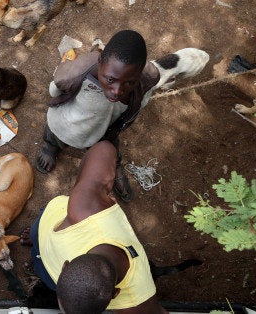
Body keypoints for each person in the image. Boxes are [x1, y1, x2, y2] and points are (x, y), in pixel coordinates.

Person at [24, 140, 167, 313]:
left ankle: (35, 251)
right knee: (36, 242)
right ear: (115, 294)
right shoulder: (137, 298)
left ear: (65, 266)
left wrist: (94, 190)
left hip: (47, 235)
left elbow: (103, 150)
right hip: (45, 235)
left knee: (37, 254)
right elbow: (105, 148)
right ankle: (35, 247)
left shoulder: (85, 210)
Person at [35, 29, 161, 203]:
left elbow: (142, 100)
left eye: (129, 83)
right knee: (54, 133)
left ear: (138, 75)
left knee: (109, 148)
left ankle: (113, 166)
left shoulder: (144, 82)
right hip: (66, 122)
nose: (117, 91)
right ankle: (50, 147)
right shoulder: (78, 73)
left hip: (105, 128)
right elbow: (54, 89)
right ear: (100, 62)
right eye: (110, 79)